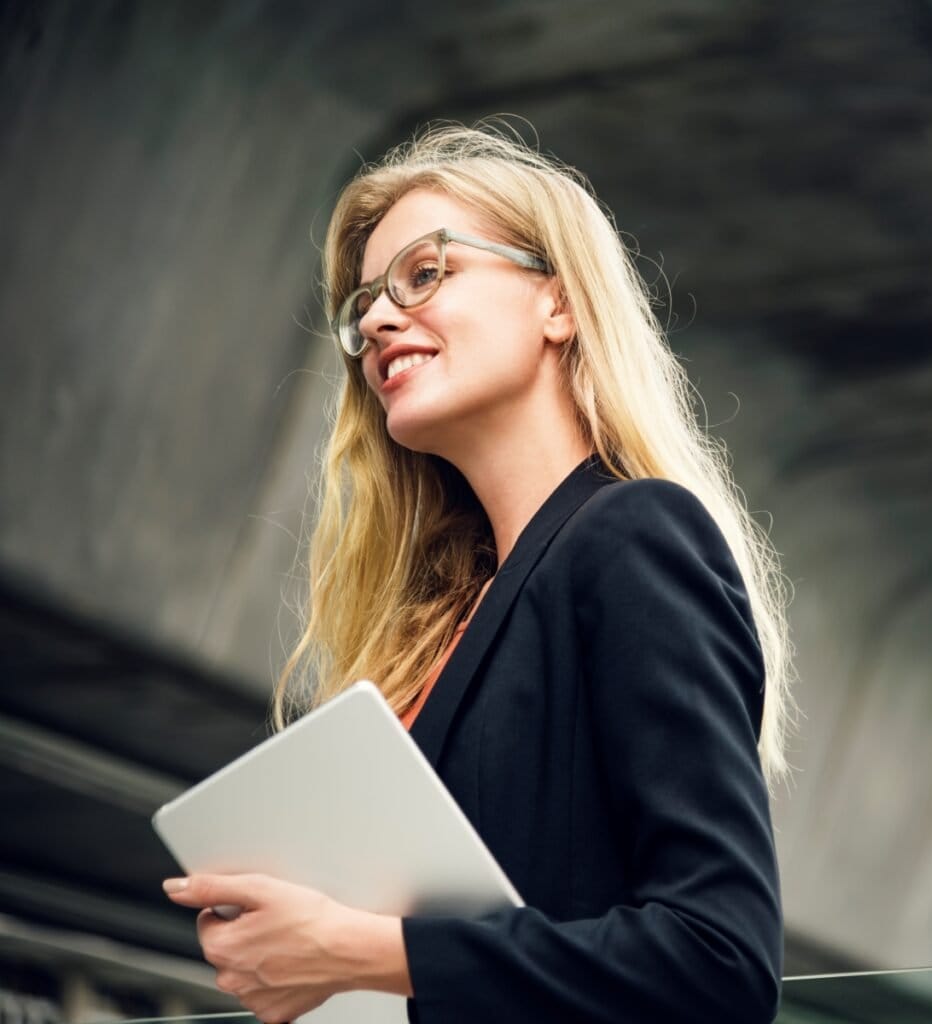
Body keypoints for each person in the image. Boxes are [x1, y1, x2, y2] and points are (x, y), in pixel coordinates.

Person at [164, 121, 793, 1024]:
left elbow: (718, 963)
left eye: (425, 274)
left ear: (559, 304)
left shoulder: (633, 535)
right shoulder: (446, 618)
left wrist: (366, 952)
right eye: (364, 304)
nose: (377, 318)